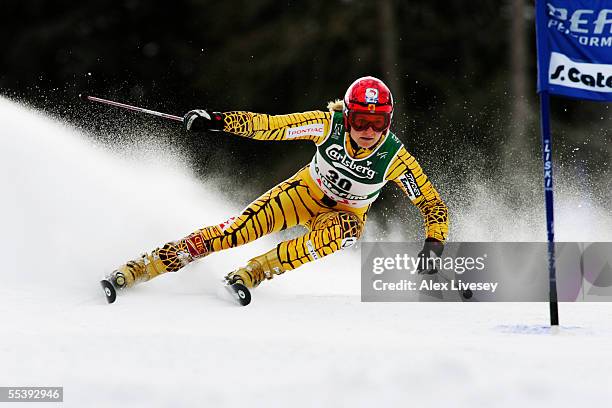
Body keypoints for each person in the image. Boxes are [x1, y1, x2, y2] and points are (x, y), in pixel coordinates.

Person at [105, 76, 449, 295]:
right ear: (347, 115)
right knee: (233, 233)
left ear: (388, 122)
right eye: (360, 120)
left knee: (339, 234)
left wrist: (433, 246)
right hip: (304, 193)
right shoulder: (327, 125)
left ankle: (255, 272)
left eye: (378, 123)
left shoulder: (394, 158)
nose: (368, 131)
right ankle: (146, 265)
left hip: (344, 216)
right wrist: (219, 121)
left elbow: (432, 206)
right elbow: (271, 126)